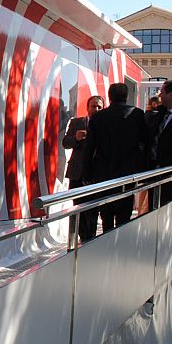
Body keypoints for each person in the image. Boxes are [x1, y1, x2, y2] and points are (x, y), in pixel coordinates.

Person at [82, 83, 148, 231]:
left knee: (106, 214)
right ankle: (121, 244)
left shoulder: (98, 117)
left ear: (109, 97)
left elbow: (89, 148)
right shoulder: (137, 114)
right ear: (126, 97)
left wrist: (86, 174)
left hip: (103, 172)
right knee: (124, 213)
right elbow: (145, 141)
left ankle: (107, 242)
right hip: (127, 172)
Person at [61, 95, 104, 241]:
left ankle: (90, 238)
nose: (96, 109)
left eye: (99, 107)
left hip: (95, 174)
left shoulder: (105, 125)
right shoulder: (77, 122)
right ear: (87, 107)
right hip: (77, 173)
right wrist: (76, 139)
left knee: (93, 209)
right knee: (77, 207)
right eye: (93, 106)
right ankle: (81, 237)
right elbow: (65, 142)